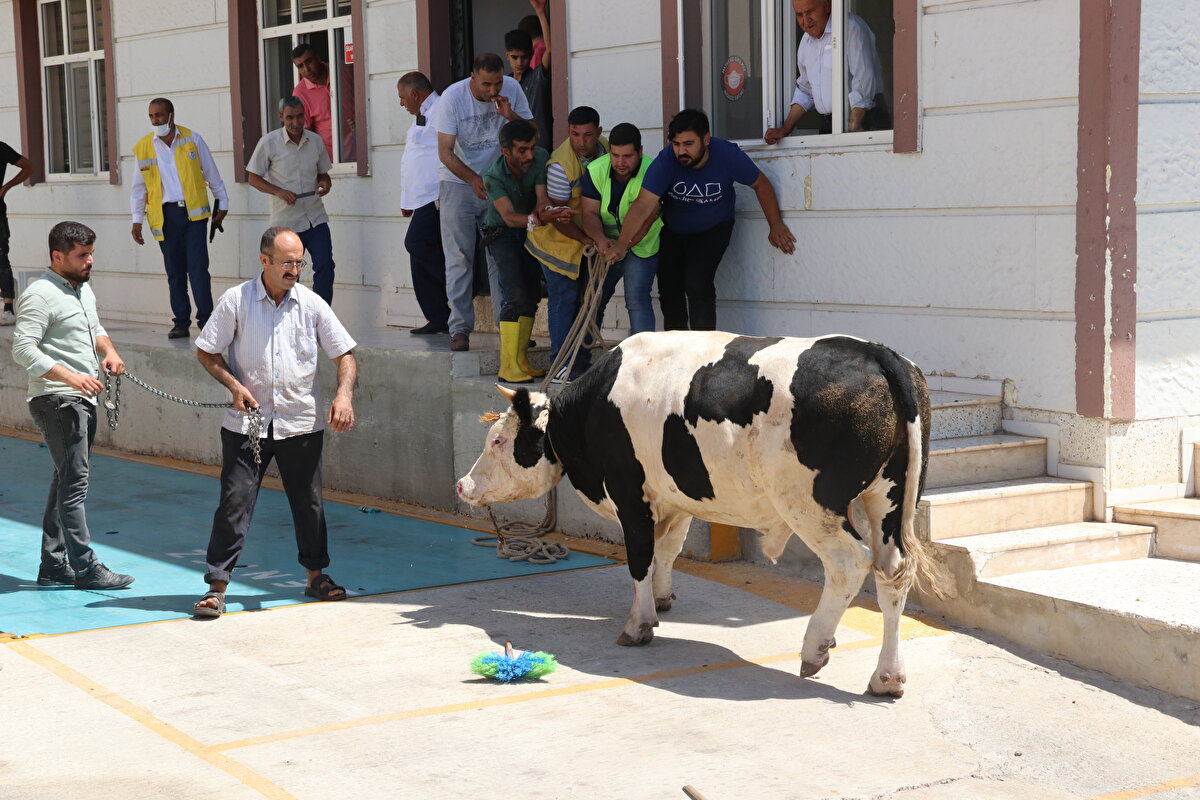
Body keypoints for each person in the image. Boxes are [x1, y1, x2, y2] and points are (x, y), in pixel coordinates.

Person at [192, 226, 357, 619]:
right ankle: (217, 586)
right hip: (246, 425)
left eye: (300, 262)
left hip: (300, 422)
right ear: (264, 260)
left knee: (310, 504)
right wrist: (233, 385)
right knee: (235, 502)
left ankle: (316, 576)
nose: (295, 270)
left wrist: (343, 394)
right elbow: (206, 351)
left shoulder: (312, 305)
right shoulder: (236, 301)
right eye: (287, 262)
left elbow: (346, 354)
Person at [11, 221, 134, 590]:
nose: (90, 261)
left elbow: (95, 329)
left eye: (91, 253)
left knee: (65, 479)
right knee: (75, 483)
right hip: (57, 399)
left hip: (81, 398)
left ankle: (52, 565)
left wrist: (110, 352)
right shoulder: (40, 294)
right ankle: (85, 567)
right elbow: (22, 348)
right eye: (82, 255)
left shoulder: (81, 291)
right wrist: (72, 377)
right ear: (57, 256)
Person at [614, 109, 796, 331]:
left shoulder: (728, 155)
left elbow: (761, 184)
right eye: (676, 144)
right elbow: (643, 204)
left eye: (689, 144)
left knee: (697, 282)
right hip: (674, 229)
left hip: (713, 228)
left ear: (706, 139)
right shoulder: (666, 161)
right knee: (669, 289)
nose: (682, 151)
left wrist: (775, 225)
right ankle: (677, 350)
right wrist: (621, 245)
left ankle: (704, 353)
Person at [436, 52, 533, 352]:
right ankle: (460, 328)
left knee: (500, 257)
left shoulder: (512, 90)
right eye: (487, 85)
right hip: (458, 183)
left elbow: (532, 134)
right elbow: (445, 152)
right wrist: (473, 179)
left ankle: (509, 327)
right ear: (473, 78)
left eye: (497, 83)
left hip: (500, 183)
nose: (494, 91)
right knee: (459, 256)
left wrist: (510, 117)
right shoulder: (452, 98)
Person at [130, 98, 229, 340]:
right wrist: (136, 220)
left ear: (171, 115)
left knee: (198, 270)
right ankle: (181, 322)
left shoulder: (192, 139)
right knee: (175, 272)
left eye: (160, 115)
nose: (156, 120)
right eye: (152, 116)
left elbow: (212, 174)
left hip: (194, 215)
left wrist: (223, 203)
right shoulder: (144, 147)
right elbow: (138, 188)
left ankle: (206, 321)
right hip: (165, 216)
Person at [481, 119, 568, 383]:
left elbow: (542, 196)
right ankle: (507, 365)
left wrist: (546, 211)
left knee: (531, 291)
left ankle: (521, 360)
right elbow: (507, 216)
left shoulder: (541, 157)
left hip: (531, 228)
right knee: (514, 291)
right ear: (505, 151)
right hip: (501, 232)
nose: (529, 155)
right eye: (522, 150)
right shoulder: (492, 175)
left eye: (532, 147)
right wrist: (541, 219)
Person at [525, 105, 608, 380]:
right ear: (568, 132)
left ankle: (579, 363)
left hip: (586, 240)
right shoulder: (560, 166)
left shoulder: (607, 150)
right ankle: (561, 363)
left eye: (587, 135)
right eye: (574, 135)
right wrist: (589, 239)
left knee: (588, 301)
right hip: (556, 242)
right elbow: (560, 218)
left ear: (599, 132)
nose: (581, 142)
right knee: (564, 299)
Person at [247, 96, 336, 305]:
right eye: (289, 118)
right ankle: (282, 314)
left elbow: (324, 174)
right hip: (286, 223)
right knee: (286, 273)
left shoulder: (315, 141)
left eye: (299, 117)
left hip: (315, 217)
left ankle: (321, 316)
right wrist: (278, 191)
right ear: (281, 117)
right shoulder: (268, 143)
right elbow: (252, 178)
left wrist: (325, 183)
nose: (295, 123)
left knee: (325, 266)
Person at [579, 122, 663, 340]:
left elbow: (647, 219)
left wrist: (623, 246)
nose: (620, 162)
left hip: (642, 244)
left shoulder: (653, 171)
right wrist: (600, 239)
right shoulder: (596, 169)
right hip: (607, 244)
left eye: (627, 156)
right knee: (592, 299)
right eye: (615, 155)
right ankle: (579, 363)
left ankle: (643, 363)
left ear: (640, 152)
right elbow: (588, 213)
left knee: (636, 300)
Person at [764, 0, 888, 141]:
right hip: (830, 124)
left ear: (827, 6)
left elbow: (864, 76)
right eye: (799, 14)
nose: (806, 20)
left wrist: (856, 121)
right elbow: (805, 90)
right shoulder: (806, 42)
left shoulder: (849, 27)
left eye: (810, 11)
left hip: (864, 118)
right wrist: (785, 129)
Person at [398, 72, 450, 335]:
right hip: (421, 198)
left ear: (415, 94)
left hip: (437, 195)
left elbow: (448, 150)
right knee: (418, 256)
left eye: (403, 97)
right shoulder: (422, 115)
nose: (402, 103)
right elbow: (416, 156)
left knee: (415, 243)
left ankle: (457, 287)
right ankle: (437, 316)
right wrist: (407, 199)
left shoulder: (441, 109)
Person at [292, 42, 356, 161]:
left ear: (318, 57)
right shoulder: (300, 93)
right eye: (300, 66)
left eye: (309, 61)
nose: (306, 69)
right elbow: (306, 135)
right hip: (332, 161)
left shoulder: (343, 69)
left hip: (362, 152)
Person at [505, 0, 552, 150]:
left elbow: (550, 50)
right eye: (515, 57)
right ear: (507, 55)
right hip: (512, 152)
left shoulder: (537, 77)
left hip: (539, 149)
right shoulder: (502, 84)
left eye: (524, 57)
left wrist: (540, 13)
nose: (520, 62)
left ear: (532, 55)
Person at [0, 140, 32, 326]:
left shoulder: (2, 148)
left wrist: (5, 188)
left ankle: (8, 309)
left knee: (1, 256)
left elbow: (28, 167)